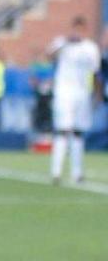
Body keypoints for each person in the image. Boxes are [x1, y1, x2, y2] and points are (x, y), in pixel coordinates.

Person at [48, 17, 101, 185]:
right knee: (62, 130)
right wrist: (65, 42)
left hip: (82, 93)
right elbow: (49, 56)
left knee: (78, 132)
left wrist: (96, 94)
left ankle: (77, 172)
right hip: (64, 92)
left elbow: (95, 72)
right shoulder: (62, 44)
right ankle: (56, 171)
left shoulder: (90, 48)